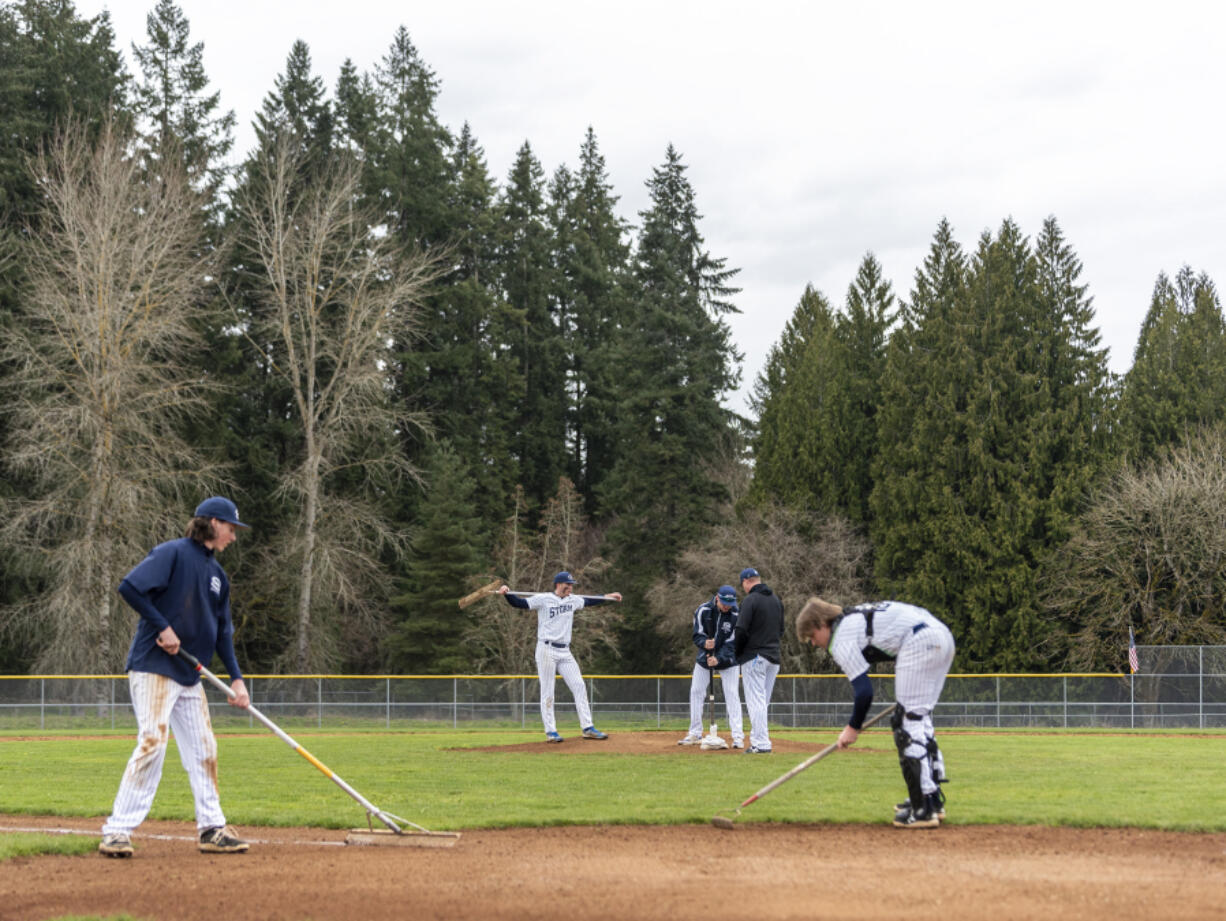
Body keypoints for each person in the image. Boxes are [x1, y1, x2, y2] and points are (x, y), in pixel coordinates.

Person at [99, 496, 253, 858]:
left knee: (204, 749)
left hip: (189, 673)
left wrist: (236, 679)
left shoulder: (218, 575)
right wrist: (163, 627)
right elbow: (130, 587)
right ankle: (117, 831)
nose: (234, 536)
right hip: (154, 666)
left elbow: (223, 632)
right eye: (231, 528)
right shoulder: (173, 553)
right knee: (153, 741)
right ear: (214, 523)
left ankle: (212, 828)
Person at [796, 597, 955, 829]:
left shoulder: (841, 637)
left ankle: (923, 810)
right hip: (941, 635)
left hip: (920, 641)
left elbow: (864, 692)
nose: (813, 643)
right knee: (918, 721)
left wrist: (853, 727)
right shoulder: (853, 618)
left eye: (812, 636)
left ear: (822, 623)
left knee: (907, 725)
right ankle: (930, 800)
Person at [498, 572, 621, 742]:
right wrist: (507, 594)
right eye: (567, 584)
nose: (570, 587)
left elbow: (591, 600)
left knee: (579, 686)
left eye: (571, 585)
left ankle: (588, 728)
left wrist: (608, 597)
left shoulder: (573, 600)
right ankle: (551, 731)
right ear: (558, 584)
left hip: (565, 650)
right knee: (548, 691)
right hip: (546, 649)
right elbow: (519, 603)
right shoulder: (543, 599)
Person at [678, 585, 744, 748]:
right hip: (705, 658)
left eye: (730, 603)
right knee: (696, 691)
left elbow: (732, 643)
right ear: (717, 598)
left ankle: (737, 737)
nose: (727, 606)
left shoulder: (736, 614)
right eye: (724, 603)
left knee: (732, 694)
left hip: (728, 660)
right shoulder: (703, 610)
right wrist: (704, 643)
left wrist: (719, 658)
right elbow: (697, 634)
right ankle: (695, 733)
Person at [732, 567, 784, 753]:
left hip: (755, 657)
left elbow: (741, 630)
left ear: (746, 582)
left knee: (756, 702)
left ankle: (762, 744)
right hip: (774, 658)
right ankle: (757, 741)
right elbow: (781, 631)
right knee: (763, 702)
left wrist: (737, 653)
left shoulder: (750, 600)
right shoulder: (776, 601)